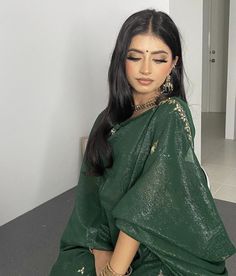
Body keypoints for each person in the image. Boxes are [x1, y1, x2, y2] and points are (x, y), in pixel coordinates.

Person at [49, 9, 236, 276]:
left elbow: (145, 204)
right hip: (109, 236)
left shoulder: (171, 114)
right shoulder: (108, 119)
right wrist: (100, 248)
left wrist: (115, 270)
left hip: (158, 246)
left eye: (159, 59)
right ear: (121, 60)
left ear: (173, 64)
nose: (146, 69)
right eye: (135, 57)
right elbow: (90, 194)